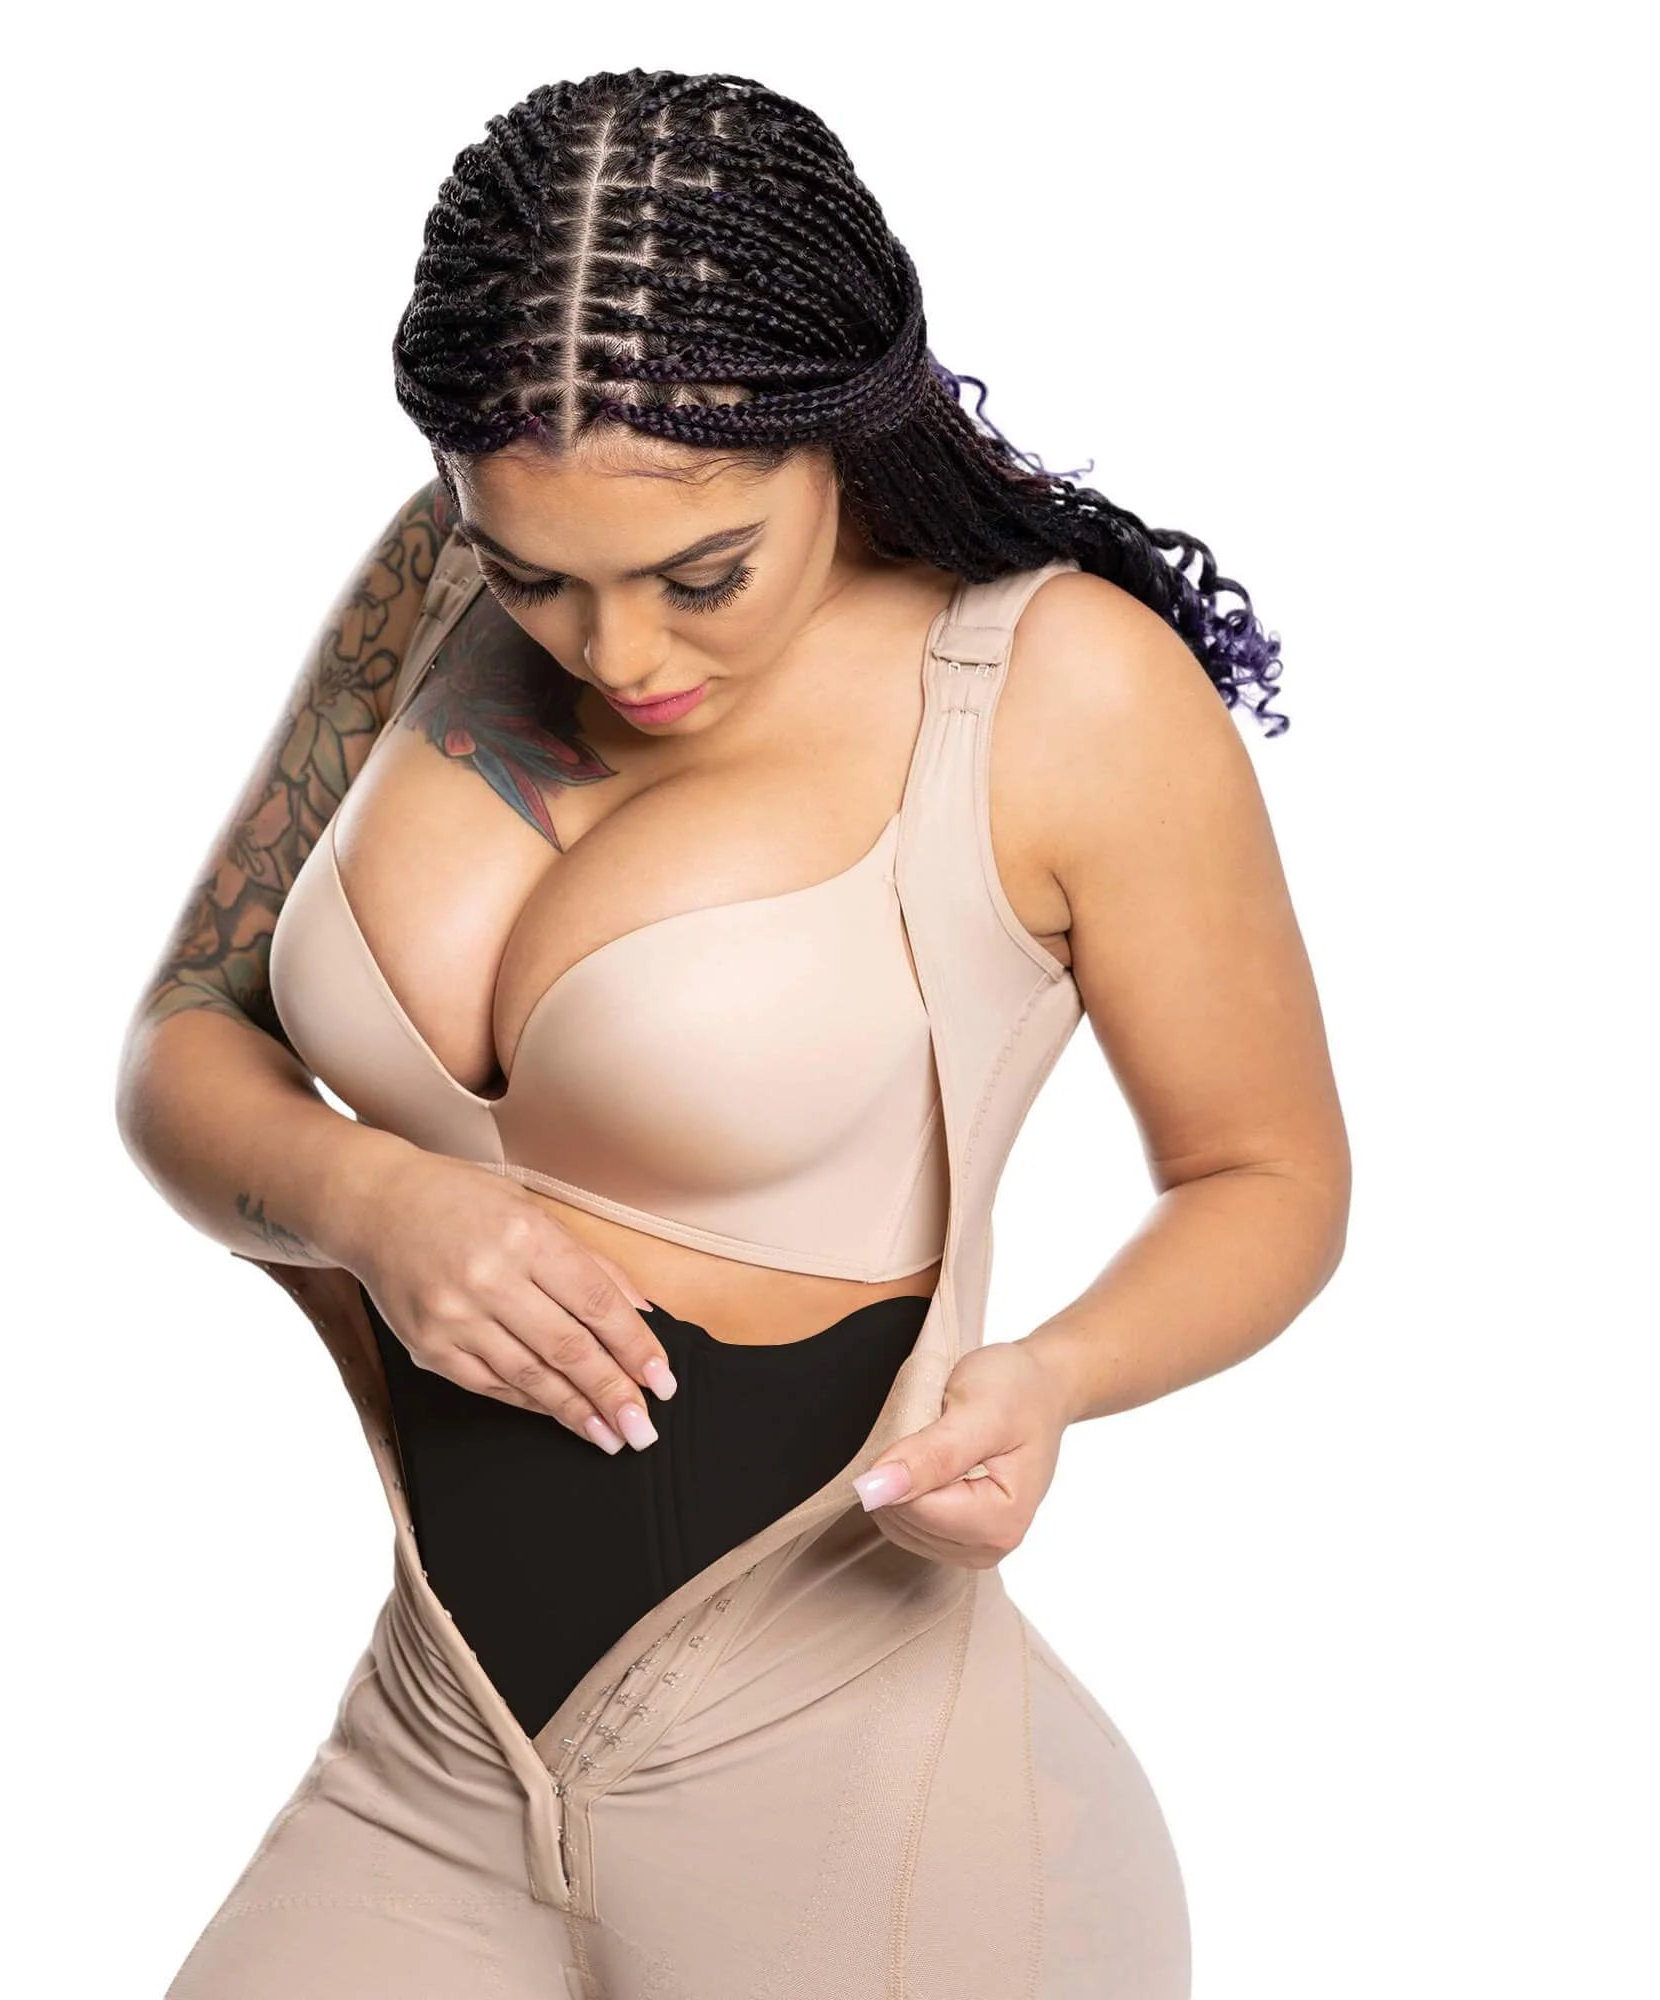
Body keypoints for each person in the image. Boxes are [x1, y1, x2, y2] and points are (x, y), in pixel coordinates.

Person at [116, 67, 1350, 2000]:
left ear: (847, 435)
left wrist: (1050, 1378)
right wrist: (366, 1198)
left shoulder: (1051, 691)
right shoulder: (429, 583)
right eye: (537, 576)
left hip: (875, 1814)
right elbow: (188, 1039)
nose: (615, 654)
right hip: (436, 1761)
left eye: (702, 575)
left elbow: (1265, 1175)